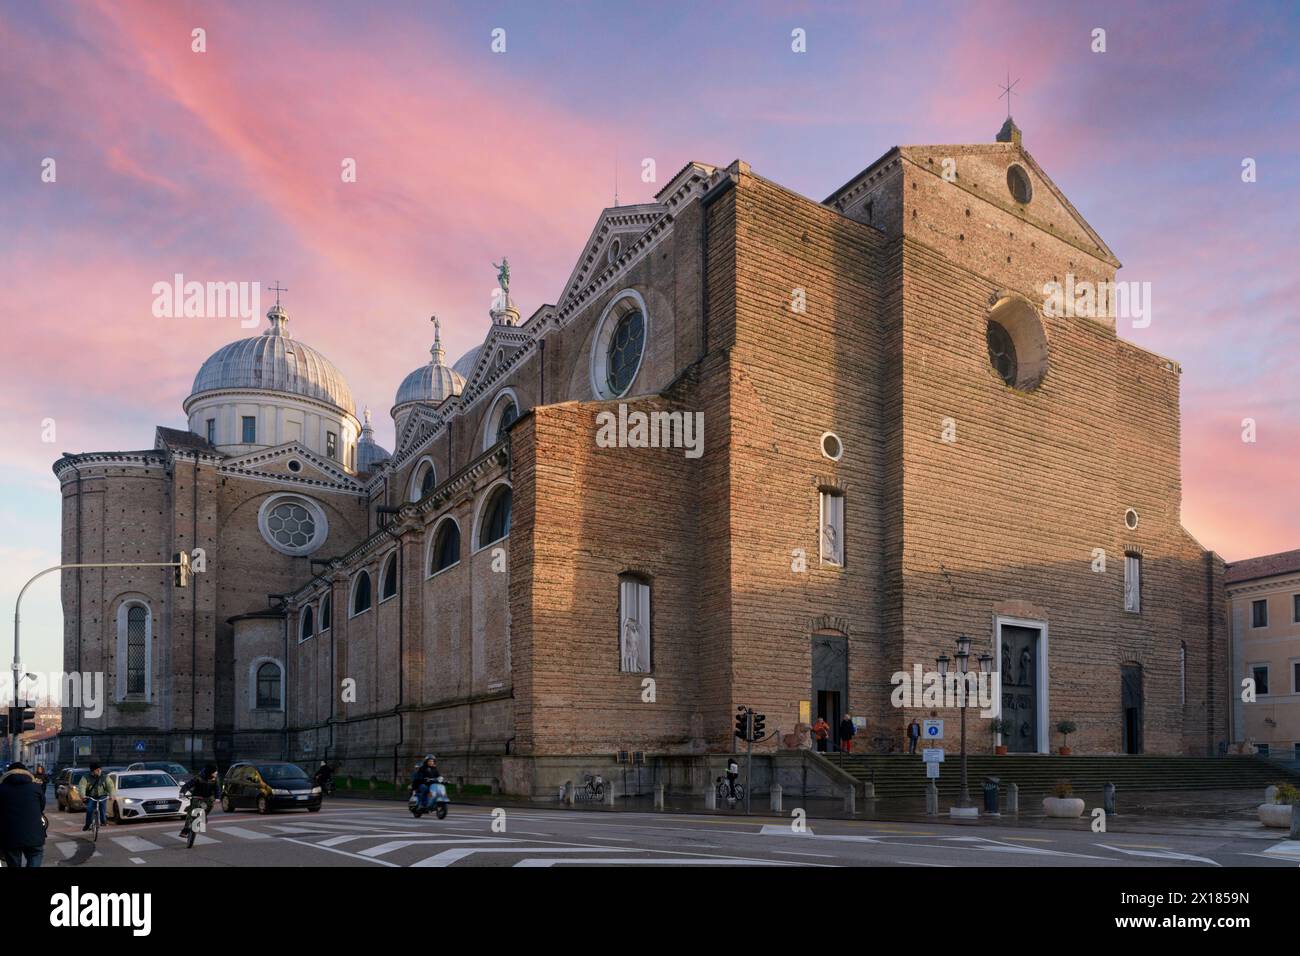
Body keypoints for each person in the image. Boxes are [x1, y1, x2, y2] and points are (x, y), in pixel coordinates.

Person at [0, 762, 47, 868]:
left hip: (9, 836)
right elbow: (41, 807)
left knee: (13, 861)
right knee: (35, 855)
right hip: (34, 834)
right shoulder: (35, 787)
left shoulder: (1, 789)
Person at [179, 765, 220, 837]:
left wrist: (217, 797)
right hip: (196, 796)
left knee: (210, 805)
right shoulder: (198, 778)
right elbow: (187, 785)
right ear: (210, 772)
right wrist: (182, 792)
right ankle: (185, 830)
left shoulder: (214, 779)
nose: (216, 773)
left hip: (207, 797)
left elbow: (217, 789)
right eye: (214, 772)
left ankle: (204, 817)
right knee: (192, 811)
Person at [77, 762, 110, 831]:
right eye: (97, 770)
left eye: (100, 769)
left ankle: (103, 821)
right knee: (89, 809)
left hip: (102, 795)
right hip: (91, 796)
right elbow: (82, 787)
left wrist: (112, 795)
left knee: (102, 806)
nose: (99, 771)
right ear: (93, 771)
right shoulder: (85, 777)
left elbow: (110, 786)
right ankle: (87, 824)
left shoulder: (104, 777)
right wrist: (83, 796)